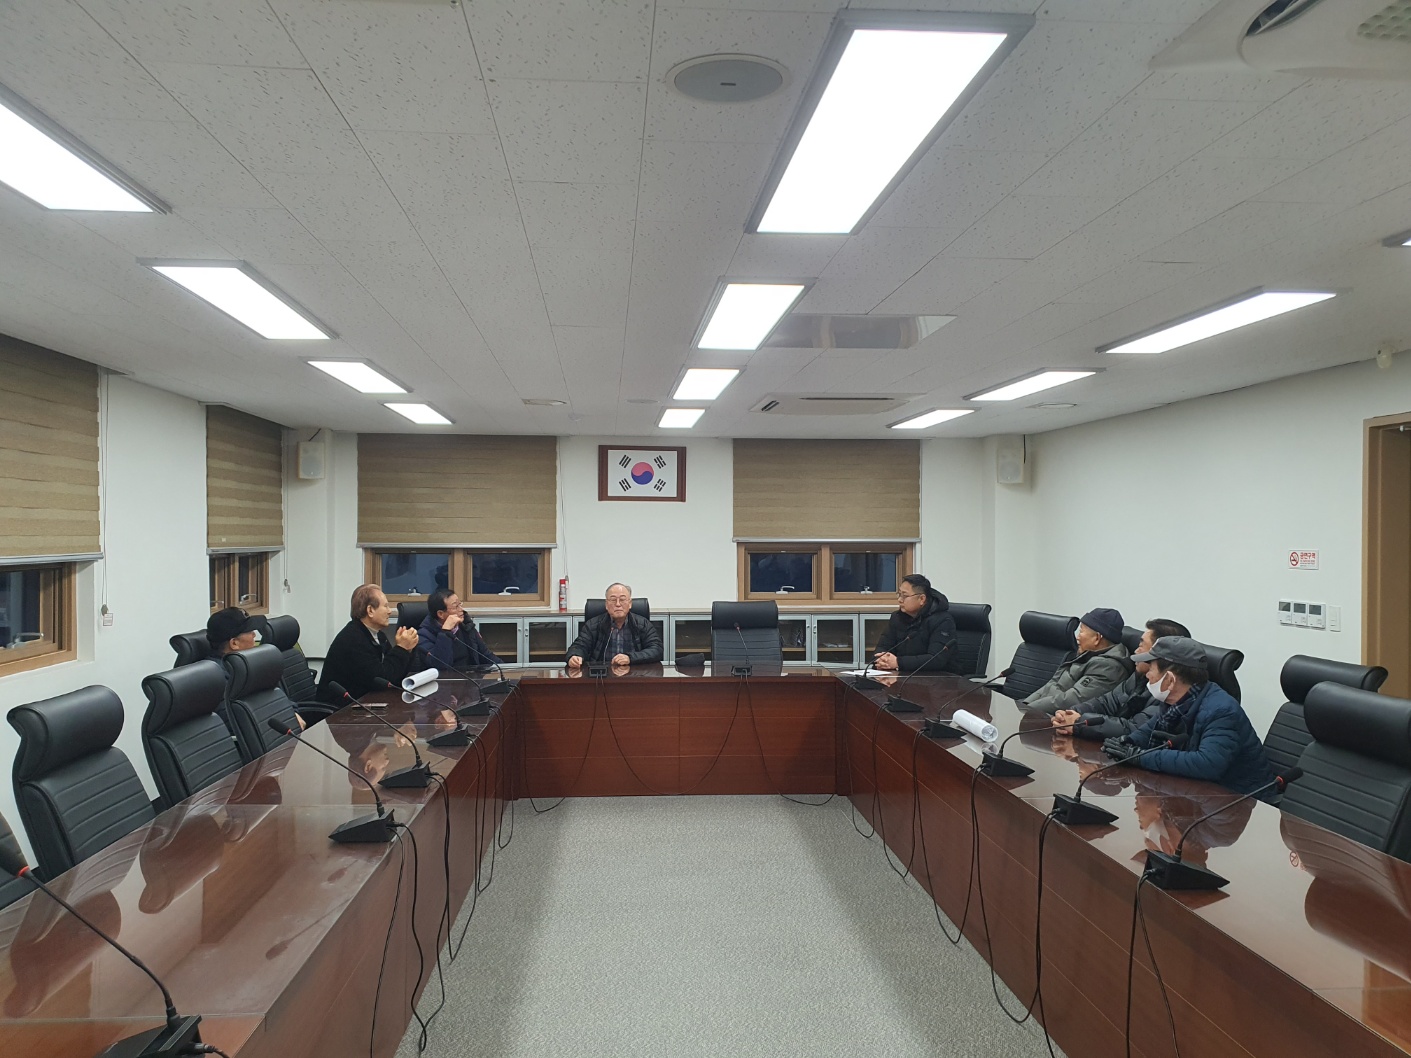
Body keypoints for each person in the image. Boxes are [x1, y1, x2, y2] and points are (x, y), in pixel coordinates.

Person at [1104, 636, 1278, 800]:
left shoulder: (1221, 710)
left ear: (1170, 679)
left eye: (1151, 669)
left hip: (1242, 801)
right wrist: (1126, 743)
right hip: (1198, 794)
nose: (1147, 674)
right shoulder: (1175, 702)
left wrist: (1139, 757)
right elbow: (1149, 731)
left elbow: (1207, 764)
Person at [1052, 618, 1190, 739]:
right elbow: (1106, 702)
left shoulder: (1170, 691)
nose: (1136, 651)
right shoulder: (1139, 677)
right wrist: (1071, 713)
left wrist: (1079, 723)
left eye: (1141, 646)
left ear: (1160, 654)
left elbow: (1135, 728)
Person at [317, 584, 419, 702]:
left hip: (366, 701)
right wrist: (401, 648)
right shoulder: (353, 639)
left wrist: (408, 650)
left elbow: (394, 675)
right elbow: (381, 680)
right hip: (340, 708)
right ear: (370, 610)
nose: (389, 611)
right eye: (385, 606)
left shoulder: (378, 635)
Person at [1022, 607, 1132, 714]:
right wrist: (1024, 705)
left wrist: (1028, 711)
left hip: (1059, 718)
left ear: (1097, 638)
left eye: (1081, 631)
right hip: (1041, 710)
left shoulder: (1109, 668)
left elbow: (1070, 701)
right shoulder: (1089, 654)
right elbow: (1051, 684)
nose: (1077, 637)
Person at [873, 573, 961, 673]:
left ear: (922, 599)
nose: (900, 600)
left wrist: (898, 662)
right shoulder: (897, 618)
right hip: (905, 675)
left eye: (905, 596)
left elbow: (936, 659)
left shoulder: (943, 620)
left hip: (940, 678)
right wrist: (882, 659)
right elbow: (883, 647)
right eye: (899, 594)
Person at [566, 582, 662, 669]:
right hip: (602, 676)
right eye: (613, 600)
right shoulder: (593, 625)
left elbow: (656, 649)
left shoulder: (643, 624)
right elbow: (579, 646)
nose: (618, 604)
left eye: (622, 599)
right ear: (606, 605)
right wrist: (574, 656)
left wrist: (630, 658)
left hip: (635, 674)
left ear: (630, 604)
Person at [417, 590, 500, 670]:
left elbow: (487, 655)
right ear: (441, 614)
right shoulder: (423, 635)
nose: (461, 609)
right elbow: (441, 666)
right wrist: (445, 632)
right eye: (455, 607)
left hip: (472, 677)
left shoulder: (466, 626)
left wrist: (504, 670)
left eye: (460, 604)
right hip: (445, 679)